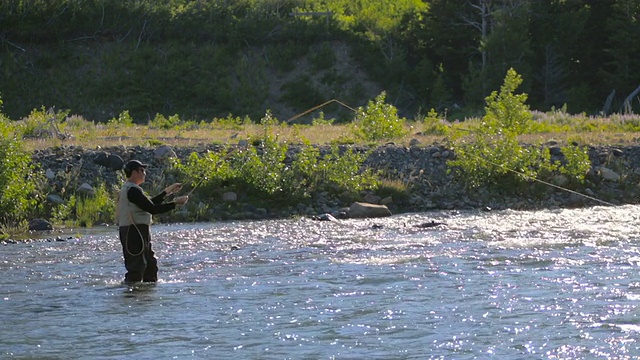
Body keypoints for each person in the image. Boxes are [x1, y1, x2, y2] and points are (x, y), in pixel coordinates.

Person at [117, 160, 188, 284]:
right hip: (133, 232)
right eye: (142, 170)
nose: (145, 173)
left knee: (150, 264)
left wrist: (167, 191)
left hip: (138, 231)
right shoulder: (132, 190)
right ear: (134, 172)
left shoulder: (133, 190)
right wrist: (175, 203)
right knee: (136, 267)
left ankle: (148, 295)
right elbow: (152, 209)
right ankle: (132, 295)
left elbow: (150, 203)